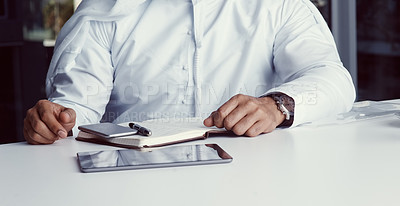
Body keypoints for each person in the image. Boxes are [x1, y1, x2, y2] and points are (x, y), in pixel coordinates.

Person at [23, 0, 356, 144]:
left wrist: (277, 105)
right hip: (132, 183)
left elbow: (332, 78)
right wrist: (53, 121)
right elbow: (75, 111)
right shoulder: (104, 10)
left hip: (253, 182)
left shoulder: (279, 5)